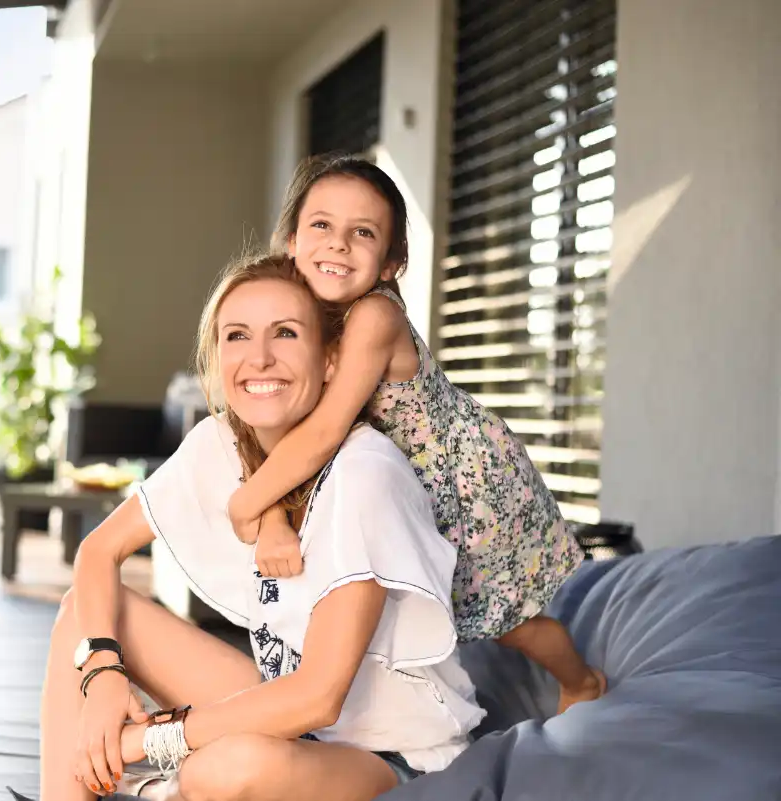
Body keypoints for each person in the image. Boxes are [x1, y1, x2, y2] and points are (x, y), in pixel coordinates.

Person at [30, 254, 483, 801]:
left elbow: (318, 698)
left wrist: (149, 739)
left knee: (222, 769)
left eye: (286, 334)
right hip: (293, 719)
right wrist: (103, 676)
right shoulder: (219, 443)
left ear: (331, 360)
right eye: (237, 336)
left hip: (389, 755)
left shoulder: (367, 474)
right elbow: (98, 552)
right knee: (82, 611)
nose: (259, 359)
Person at [226, 153, 606, 714]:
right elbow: (275, 427)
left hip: (462, 482)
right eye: (322, 226)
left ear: (390, 263)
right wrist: (274, 515)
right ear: (291, 239)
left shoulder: (375, 317)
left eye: (363, 233)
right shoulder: (294, 312)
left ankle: (581, 681)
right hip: (398, 479)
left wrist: (247, 504)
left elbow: (326, 428)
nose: (337, 244)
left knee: (507, 618)